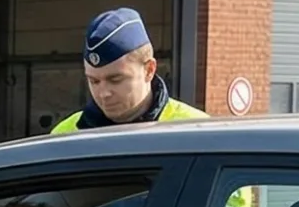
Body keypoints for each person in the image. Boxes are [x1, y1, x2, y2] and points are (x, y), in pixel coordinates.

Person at [50, 8, 207, 134]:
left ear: (149, 70)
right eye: (94, 81)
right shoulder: (65, 135)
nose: (103, 93)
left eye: (115, 80)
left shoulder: (194, 130)